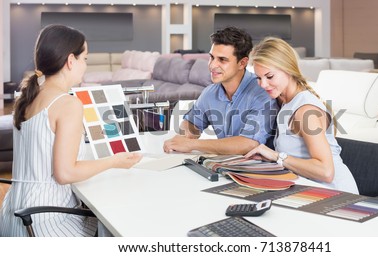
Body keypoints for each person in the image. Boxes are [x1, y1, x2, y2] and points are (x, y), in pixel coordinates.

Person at [0, 24, 142, 237]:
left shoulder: (28, 97)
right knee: (116, 225)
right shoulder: (68, 104)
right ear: (70, 61)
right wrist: (115, 161)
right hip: (47, 220)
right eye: (85, 59)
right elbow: (65, 173)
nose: (85, 66)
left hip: (13, 216)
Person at [244, 37, 358, 194]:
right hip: (311, 192)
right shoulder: (285, 102)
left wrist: (277, 157)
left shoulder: (305, 111)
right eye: (258, 77)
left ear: (288, 70)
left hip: (338, 196)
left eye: (269, 76)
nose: (263, 84)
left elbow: (326, 172)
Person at [163, 27, 278, 155]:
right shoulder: (210, 93)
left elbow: (248, 144)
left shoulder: (262, 92)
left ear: (242, 63)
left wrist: (191, 144)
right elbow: (191, 123)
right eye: (212, 57)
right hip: (225, 165)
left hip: (260, 169)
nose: (212, 65)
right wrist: (184, 138)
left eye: (222, 60)